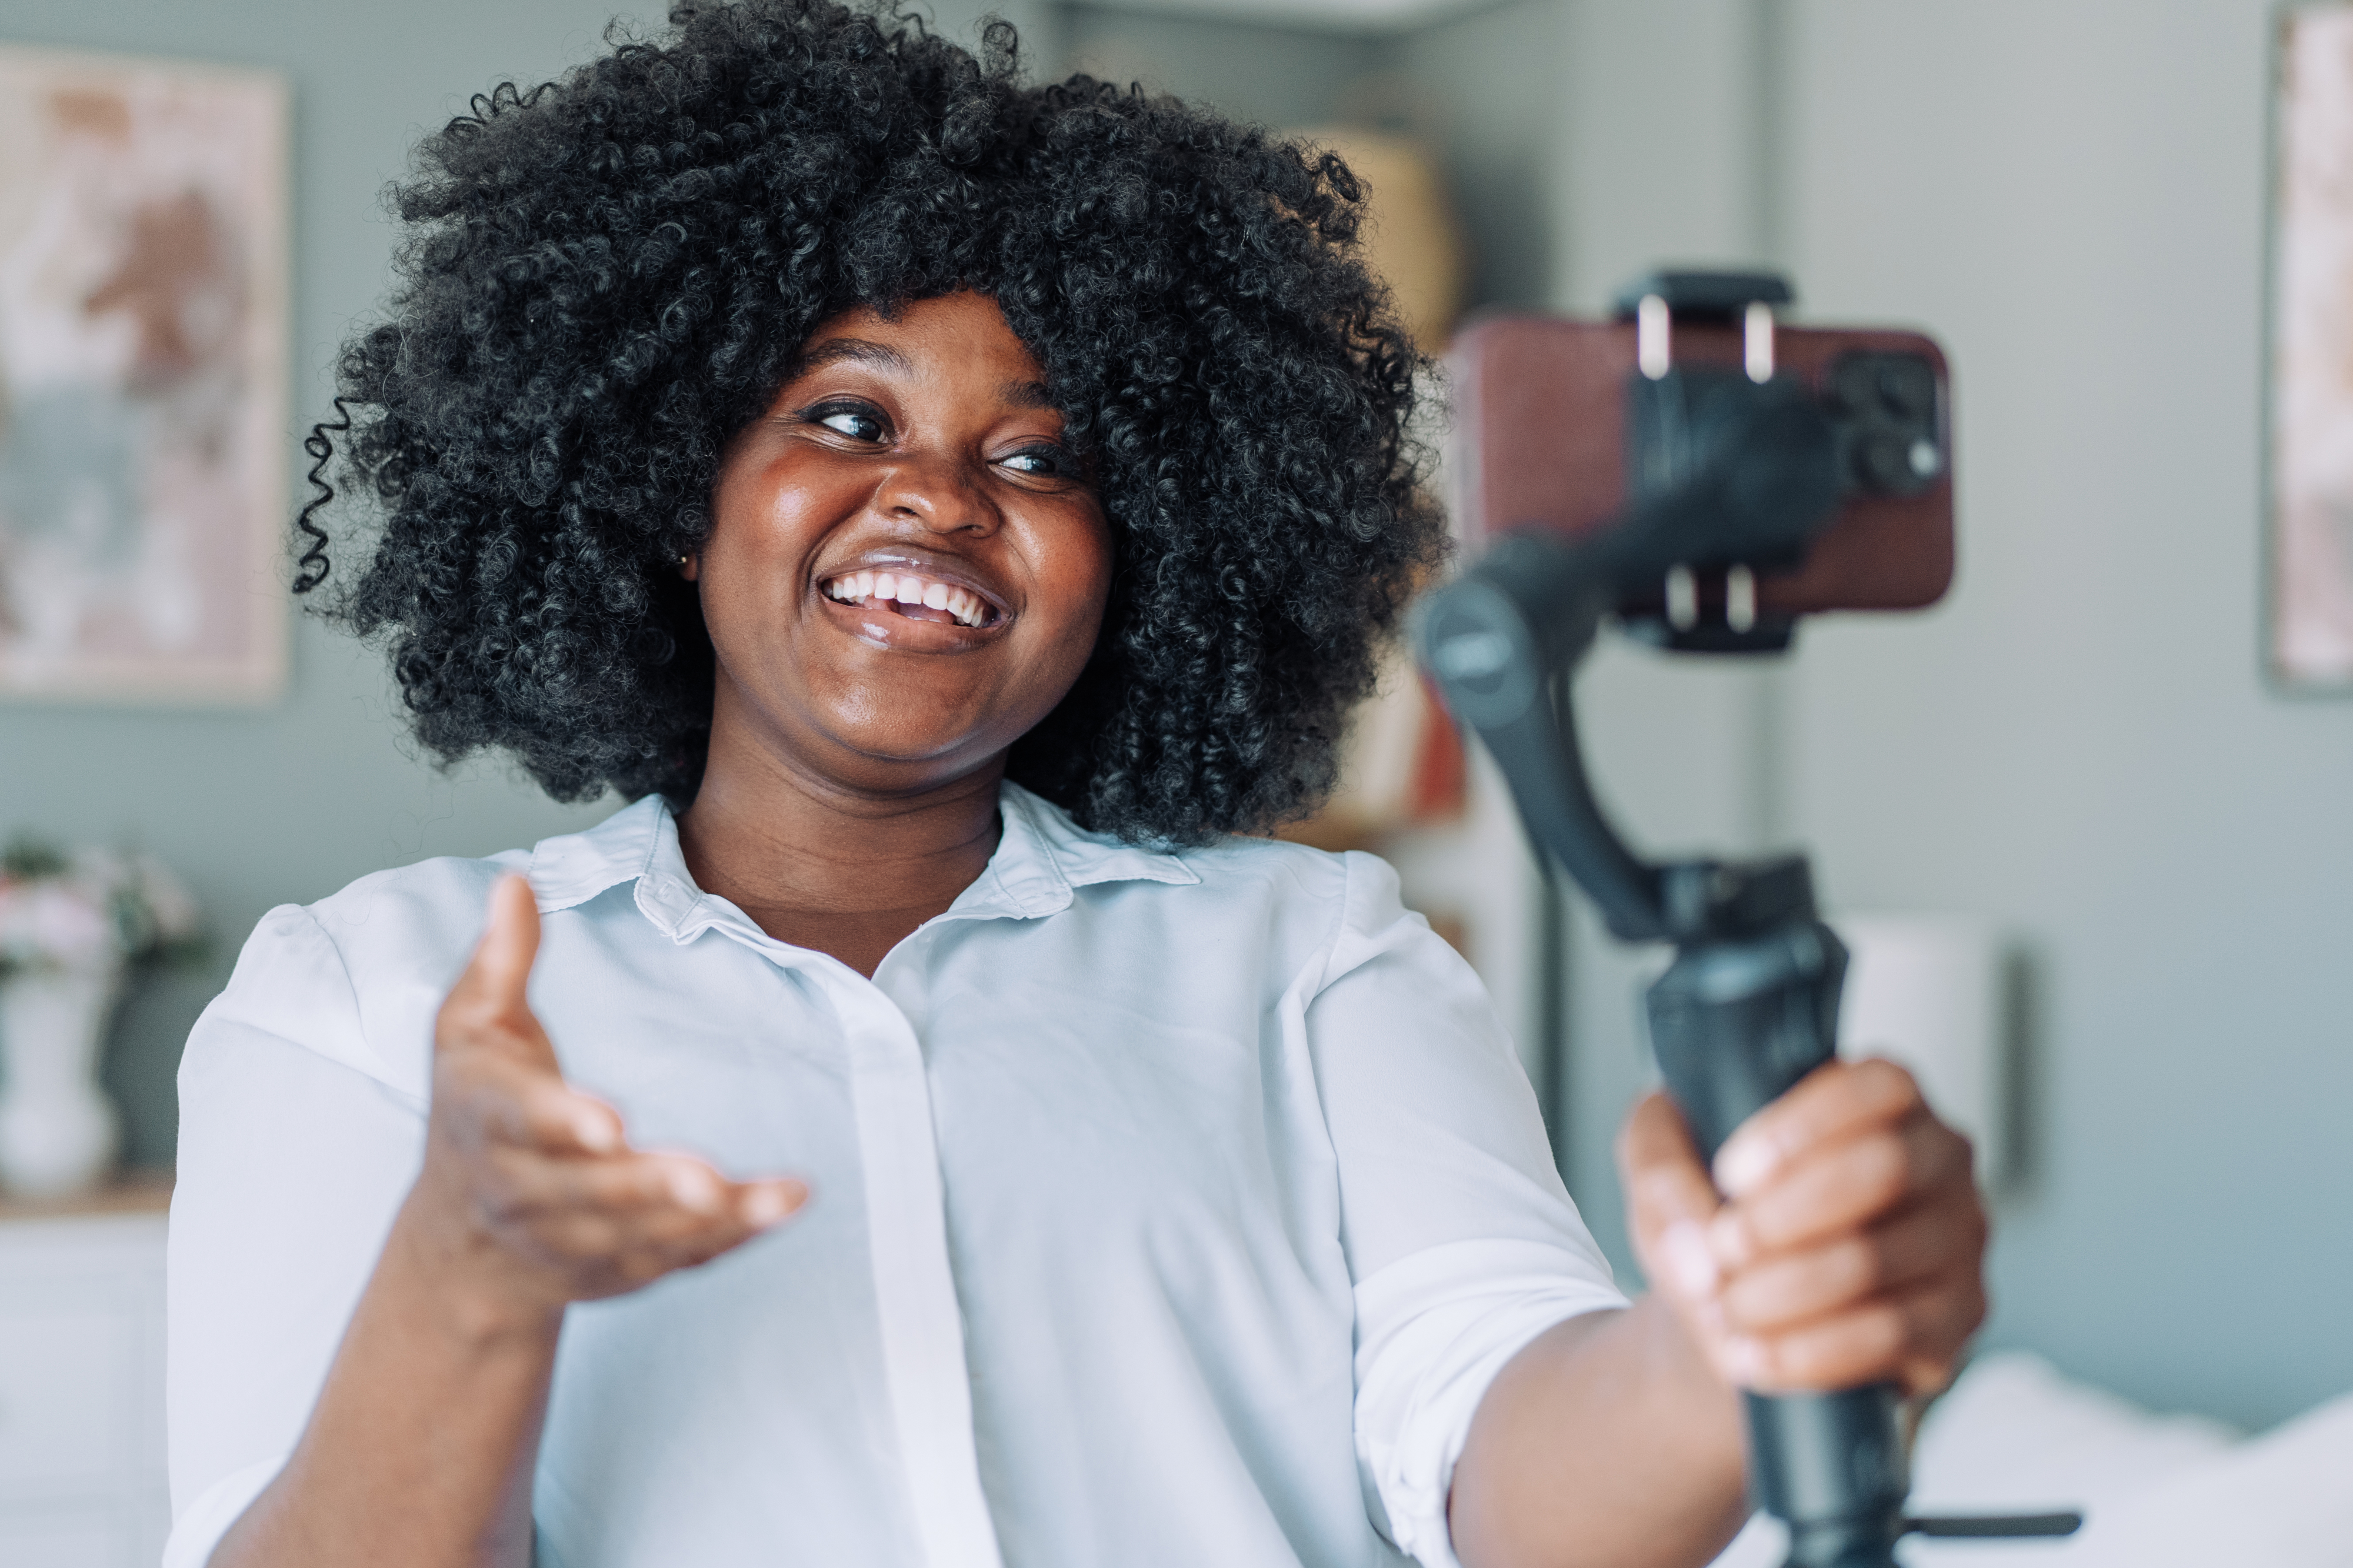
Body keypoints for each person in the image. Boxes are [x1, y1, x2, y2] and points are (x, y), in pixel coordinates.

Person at [164, 6, 1989, 1567]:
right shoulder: (367, 1000)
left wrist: (1727, 1345)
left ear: (1145, 553)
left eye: (1041, 454)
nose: (941, 495)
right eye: (849, 417)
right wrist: (473, 1270)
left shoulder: (1314, 958)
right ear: (668, 478)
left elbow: (1506, 1459)